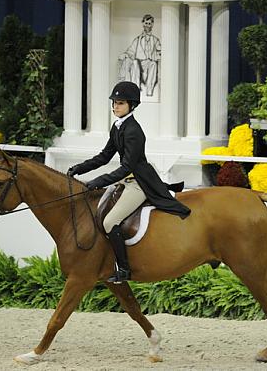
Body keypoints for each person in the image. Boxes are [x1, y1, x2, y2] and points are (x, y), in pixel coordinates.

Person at [67, 81, 190, 283]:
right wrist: (79, 168)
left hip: (138, 183)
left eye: (120, 103)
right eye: (114, 102)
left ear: (131, 105)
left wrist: (98, 181)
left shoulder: (134, 131)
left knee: (109, 221)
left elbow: (127, 167)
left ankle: (124, 270)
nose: (115, 106)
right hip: (125, 180)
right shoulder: (117, 127)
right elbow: (104, 156)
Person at [117, 14, 161, 97]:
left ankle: (149, 91)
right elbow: (130, 51)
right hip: (139, 63)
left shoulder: (155, 40)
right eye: (146, 23)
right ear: (143, 24)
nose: (147, 25)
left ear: (152, 25)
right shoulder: (137, 40)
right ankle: (135, 90)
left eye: (149, 23)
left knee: (153, 64)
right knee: (134, 63)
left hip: (149, 63)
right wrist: (125, 55)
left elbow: (160, 51)